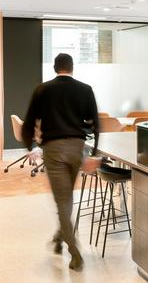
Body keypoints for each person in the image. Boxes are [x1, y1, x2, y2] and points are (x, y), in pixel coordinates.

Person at [22, 53, 100, 271]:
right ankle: (59, 237)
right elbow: (95, 123)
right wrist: (93, 153)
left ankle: (74, 253)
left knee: (63, 201)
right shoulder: (85, 89)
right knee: (67, 199)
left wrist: (31, 147)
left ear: (55, 68)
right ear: (72, 68)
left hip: (54, 150)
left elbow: (29, 122)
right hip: (77, 149)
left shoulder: (42, 90)